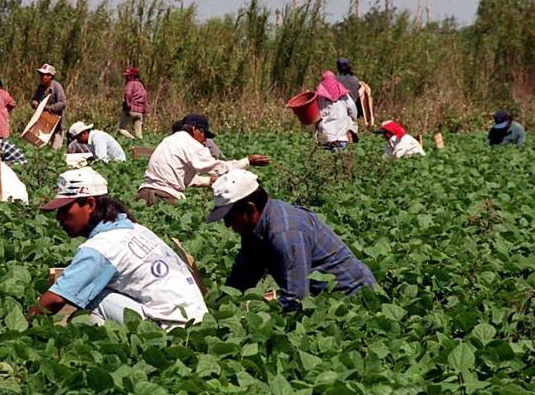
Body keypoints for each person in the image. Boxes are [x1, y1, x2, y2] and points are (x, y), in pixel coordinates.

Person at [29, 168, 207, 328]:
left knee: (91, 298)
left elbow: (56, 299)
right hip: (199, 322)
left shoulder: (101, 247)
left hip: (171, 328)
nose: (59, 217)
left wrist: (23, 325)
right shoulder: (134, 228)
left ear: (90, 204)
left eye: (65, 209)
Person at [207, 170, 375, 312]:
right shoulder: (255, 228)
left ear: (250, 209)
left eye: (230, 216)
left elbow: (296, 298)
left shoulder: (285, 232)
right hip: (321, 299)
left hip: (352, 300)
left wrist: (258, 319)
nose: (227, 224)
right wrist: (218, 308)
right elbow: (243, 275)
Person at [137, 114, 270, 205]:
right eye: (204, 134)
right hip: (164, 197)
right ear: (195, 129)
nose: (206, 139)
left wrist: (207, 181)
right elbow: (219, 169)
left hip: (143, 194)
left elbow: (175, 173)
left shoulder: (168, 140)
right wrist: (248, 161)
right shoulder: (191, 143)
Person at [315, 70, 359, 151]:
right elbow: (353, 109)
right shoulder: (344, 95)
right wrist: (353, 119)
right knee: (340, 159)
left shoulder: (319, 97)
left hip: (326, 135)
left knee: (326, 160)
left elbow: (315, 115)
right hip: (341, 134)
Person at [30, 63, 67, 149]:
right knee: (40, 147)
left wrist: (49, 108)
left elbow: (63, 103)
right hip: (43, 121)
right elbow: (35, 99)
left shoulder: (57, 87)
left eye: (45, 75)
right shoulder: (41, 87)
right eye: (41, 75)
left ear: (50, 76)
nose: (42, 77)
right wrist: (34, 103)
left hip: (56, 123)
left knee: (55, 149)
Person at [118, 67, 148, 140]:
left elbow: (128, 94)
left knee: (120, 128)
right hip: (139, 112)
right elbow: (145, 97)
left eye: (128, 75)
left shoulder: (130, 84)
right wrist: (145, 109)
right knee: (139, 134)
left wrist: (128, 105)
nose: (126, 77)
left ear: (132, 76)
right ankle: (140, 144)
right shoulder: (141, 85)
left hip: (130, 110)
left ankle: (133, 139)